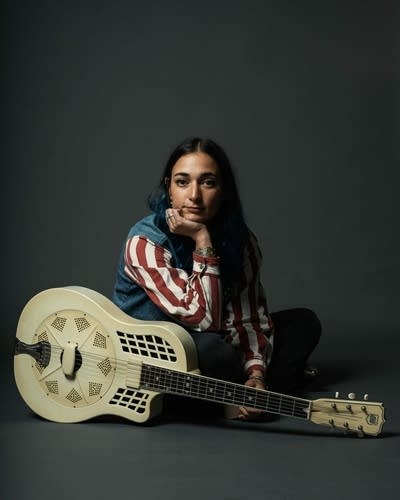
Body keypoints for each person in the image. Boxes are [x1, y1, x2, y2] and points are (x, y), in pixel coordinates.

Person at [112, 137, 321, 420]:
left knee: (303, 324)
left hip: (218, 339)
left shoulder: (242, 241)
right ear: (169, 189)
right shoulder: (145, 242)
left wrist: (256, 373)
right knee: (214, 352)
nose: (194, 195)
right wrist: (201, 239)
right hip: (156, 355)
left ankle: (246, 392)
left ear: (223, 191)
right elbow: (202, 319)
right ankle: (248, 395)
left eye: (207, 182)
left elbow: (247, 318)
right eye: (182, 182)